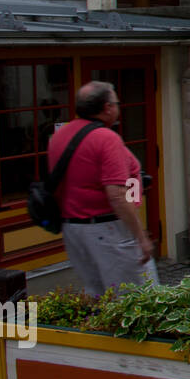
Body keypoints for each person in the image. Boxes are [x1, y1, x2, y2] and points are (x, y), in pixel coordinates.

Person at [48, 81, 158, 296]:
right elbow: (116, 194)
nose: (118, 108)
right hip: (107, 228)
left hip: (74, 228)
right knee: (139, 298)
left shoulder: (60, 135)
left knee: (98, 295)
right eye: (116, 103)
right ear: (107, 107)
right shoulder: (106, 138)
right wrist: (141, 236)